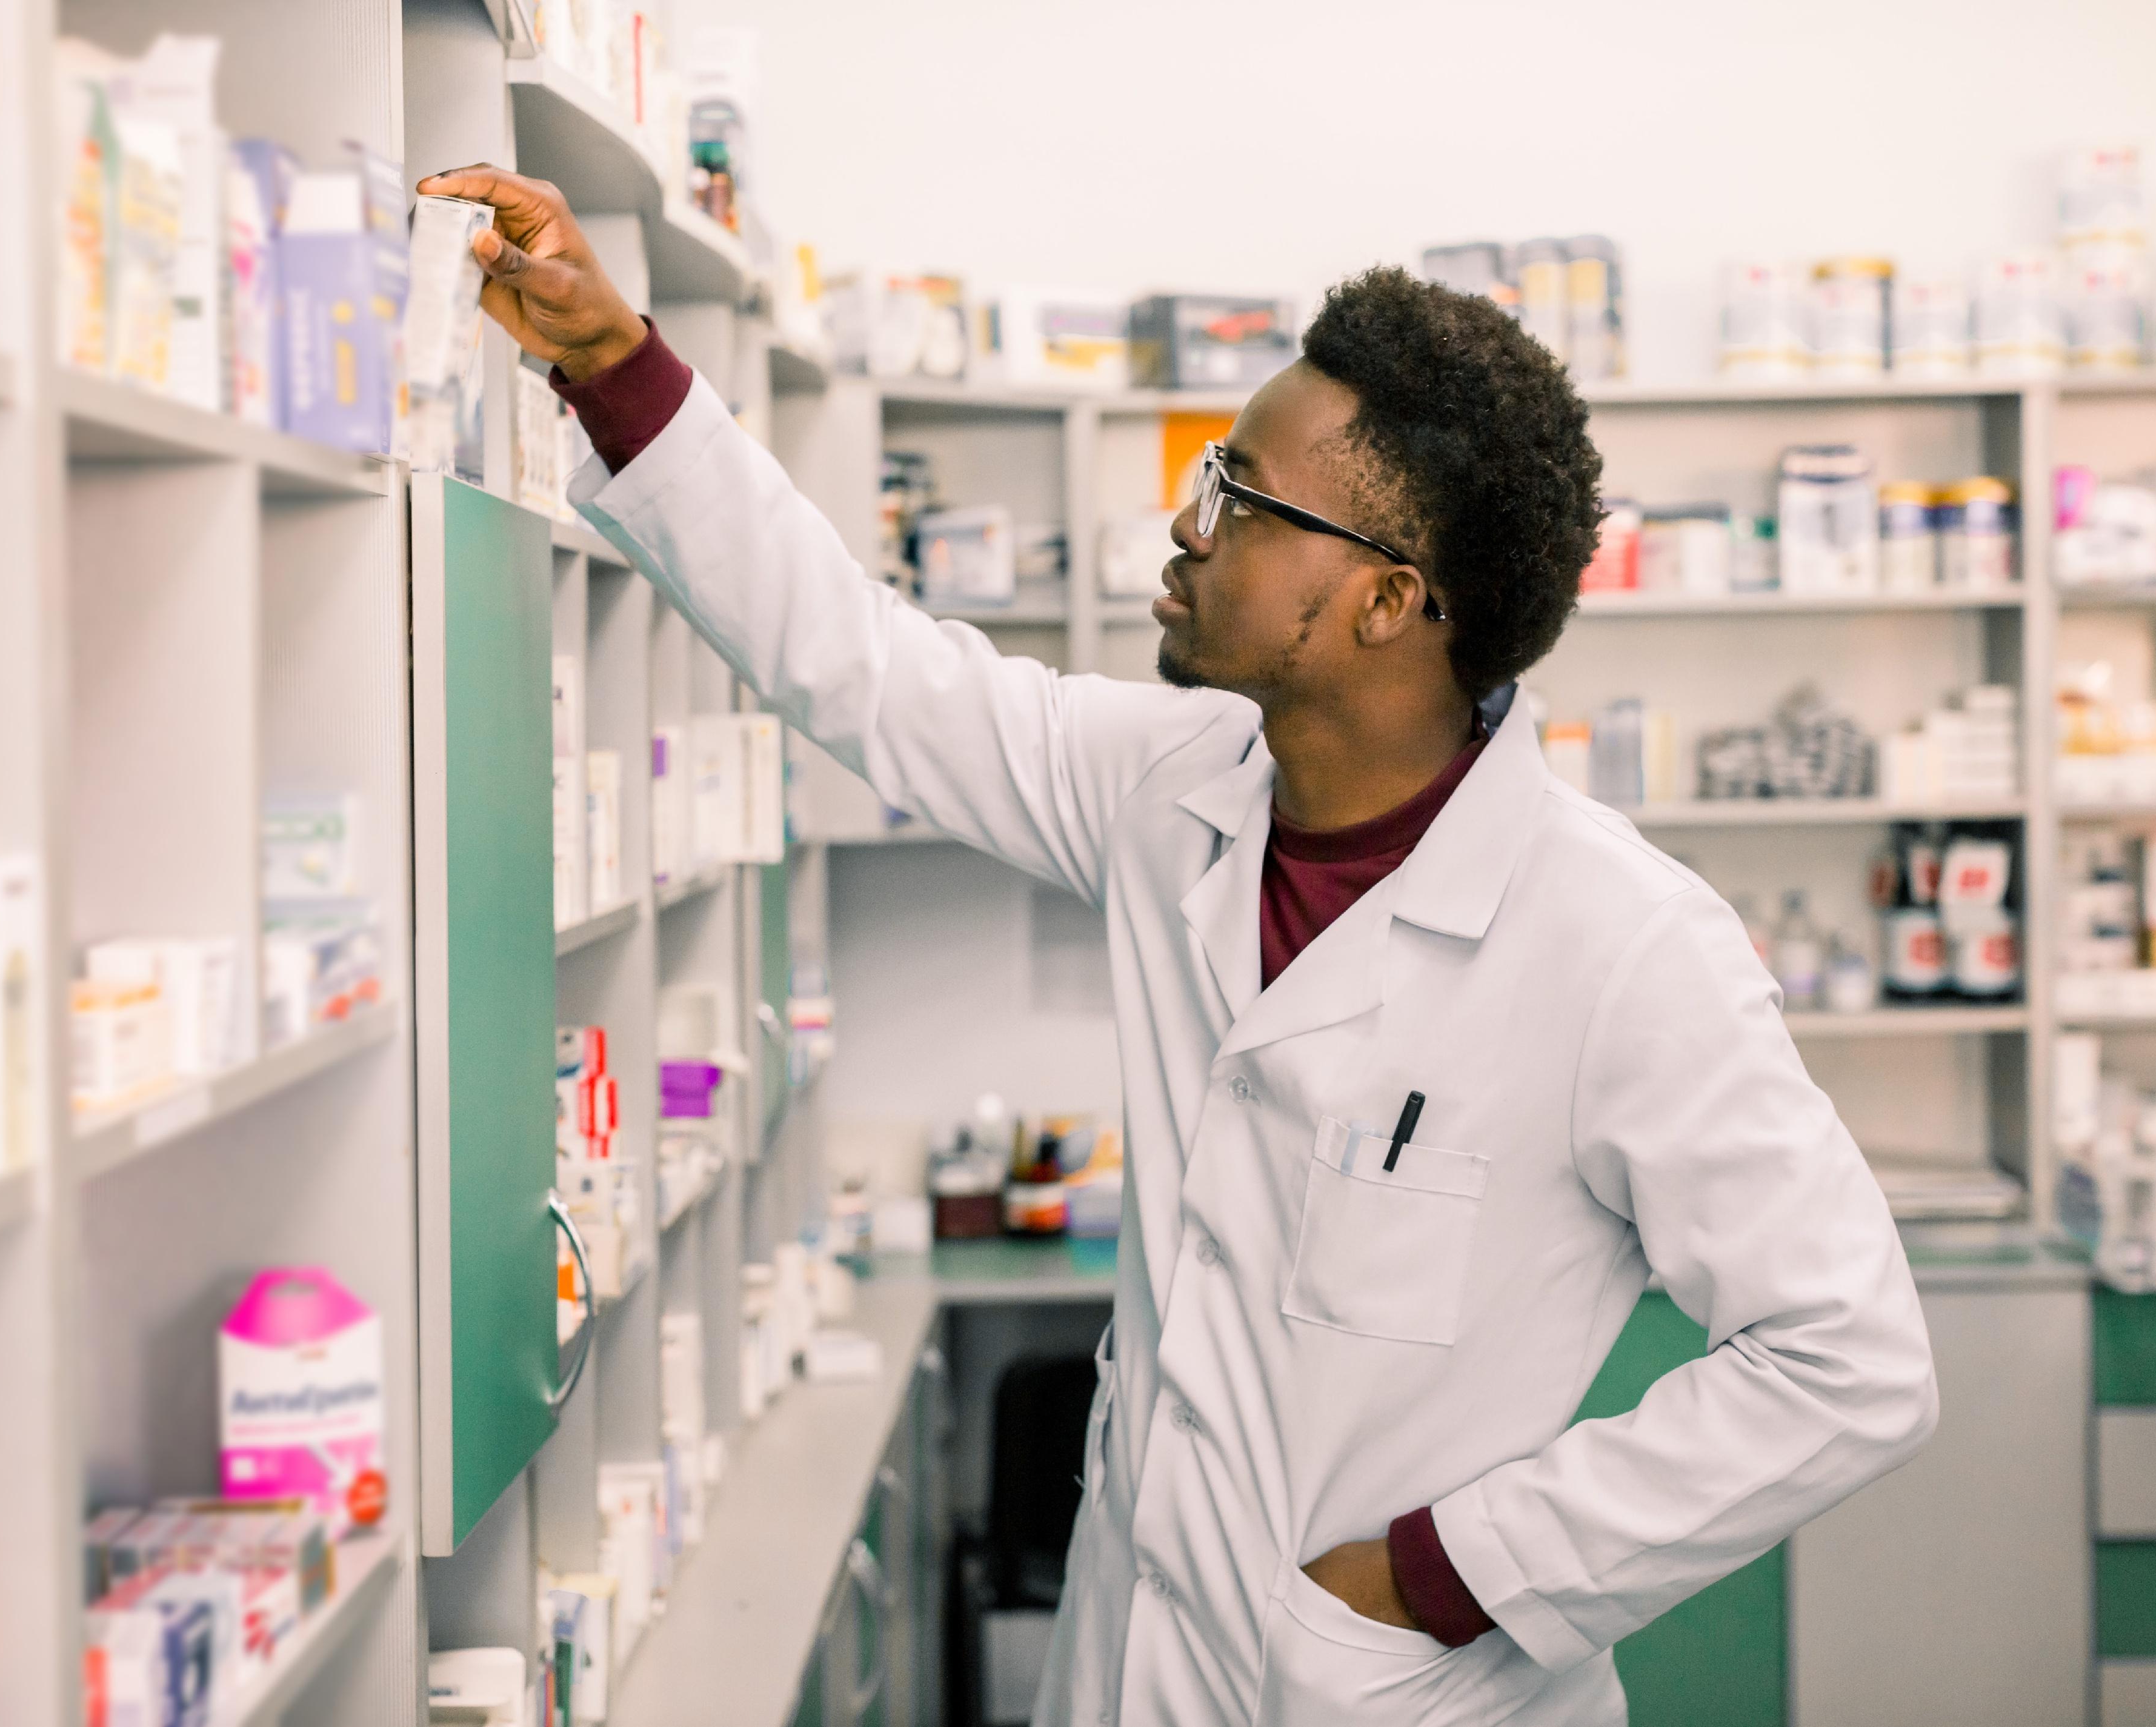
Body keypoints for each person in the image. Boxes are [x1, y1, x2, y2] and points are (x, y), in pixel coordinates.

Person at [421, 164, 1938, 1727]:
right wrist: (612, 362)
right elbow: (865, 672)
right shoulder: (1172, 793)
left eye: (1240, 495)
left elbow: (1848, 1358)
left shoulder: (1622, 947)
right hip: (1136, 1666)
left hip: (1393, 1688)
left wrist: (1441, 1572)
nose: (1186, 522)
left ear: (1386, 602)